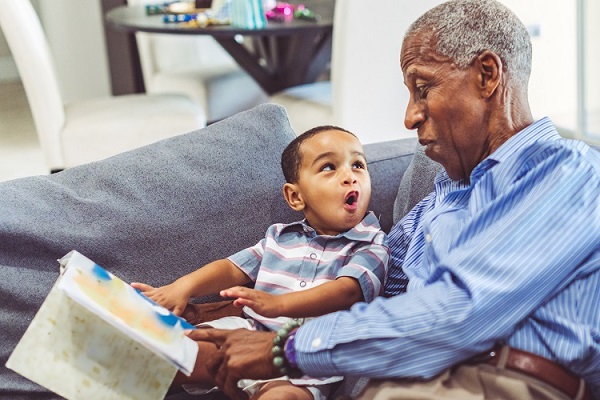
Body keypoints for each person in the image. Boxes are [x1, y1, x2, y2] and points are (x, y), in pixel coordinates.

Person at [188, 1, 600, 399]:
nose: (410, 116)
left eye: (423, 88)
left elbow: (458, 314)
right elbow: (367, 287)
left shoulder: (568, 173)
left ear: (487, 76)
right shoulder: (436, 203)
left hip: (500, 382)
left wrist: (286, 348)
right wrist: (252, 320)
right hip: (408, 380)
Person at [132, 125, 389, 400]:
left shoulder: (372, 244)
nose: (350, 177)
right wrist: (183, 287)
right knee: (173, 349)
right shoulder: (279, 237)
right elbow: (232, 268)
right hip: (248, 333)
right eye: (329, 167)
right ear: (295, 196)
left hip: (306, 360)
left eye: (358, 165)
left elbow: (347, 291)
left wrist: (278, 305)